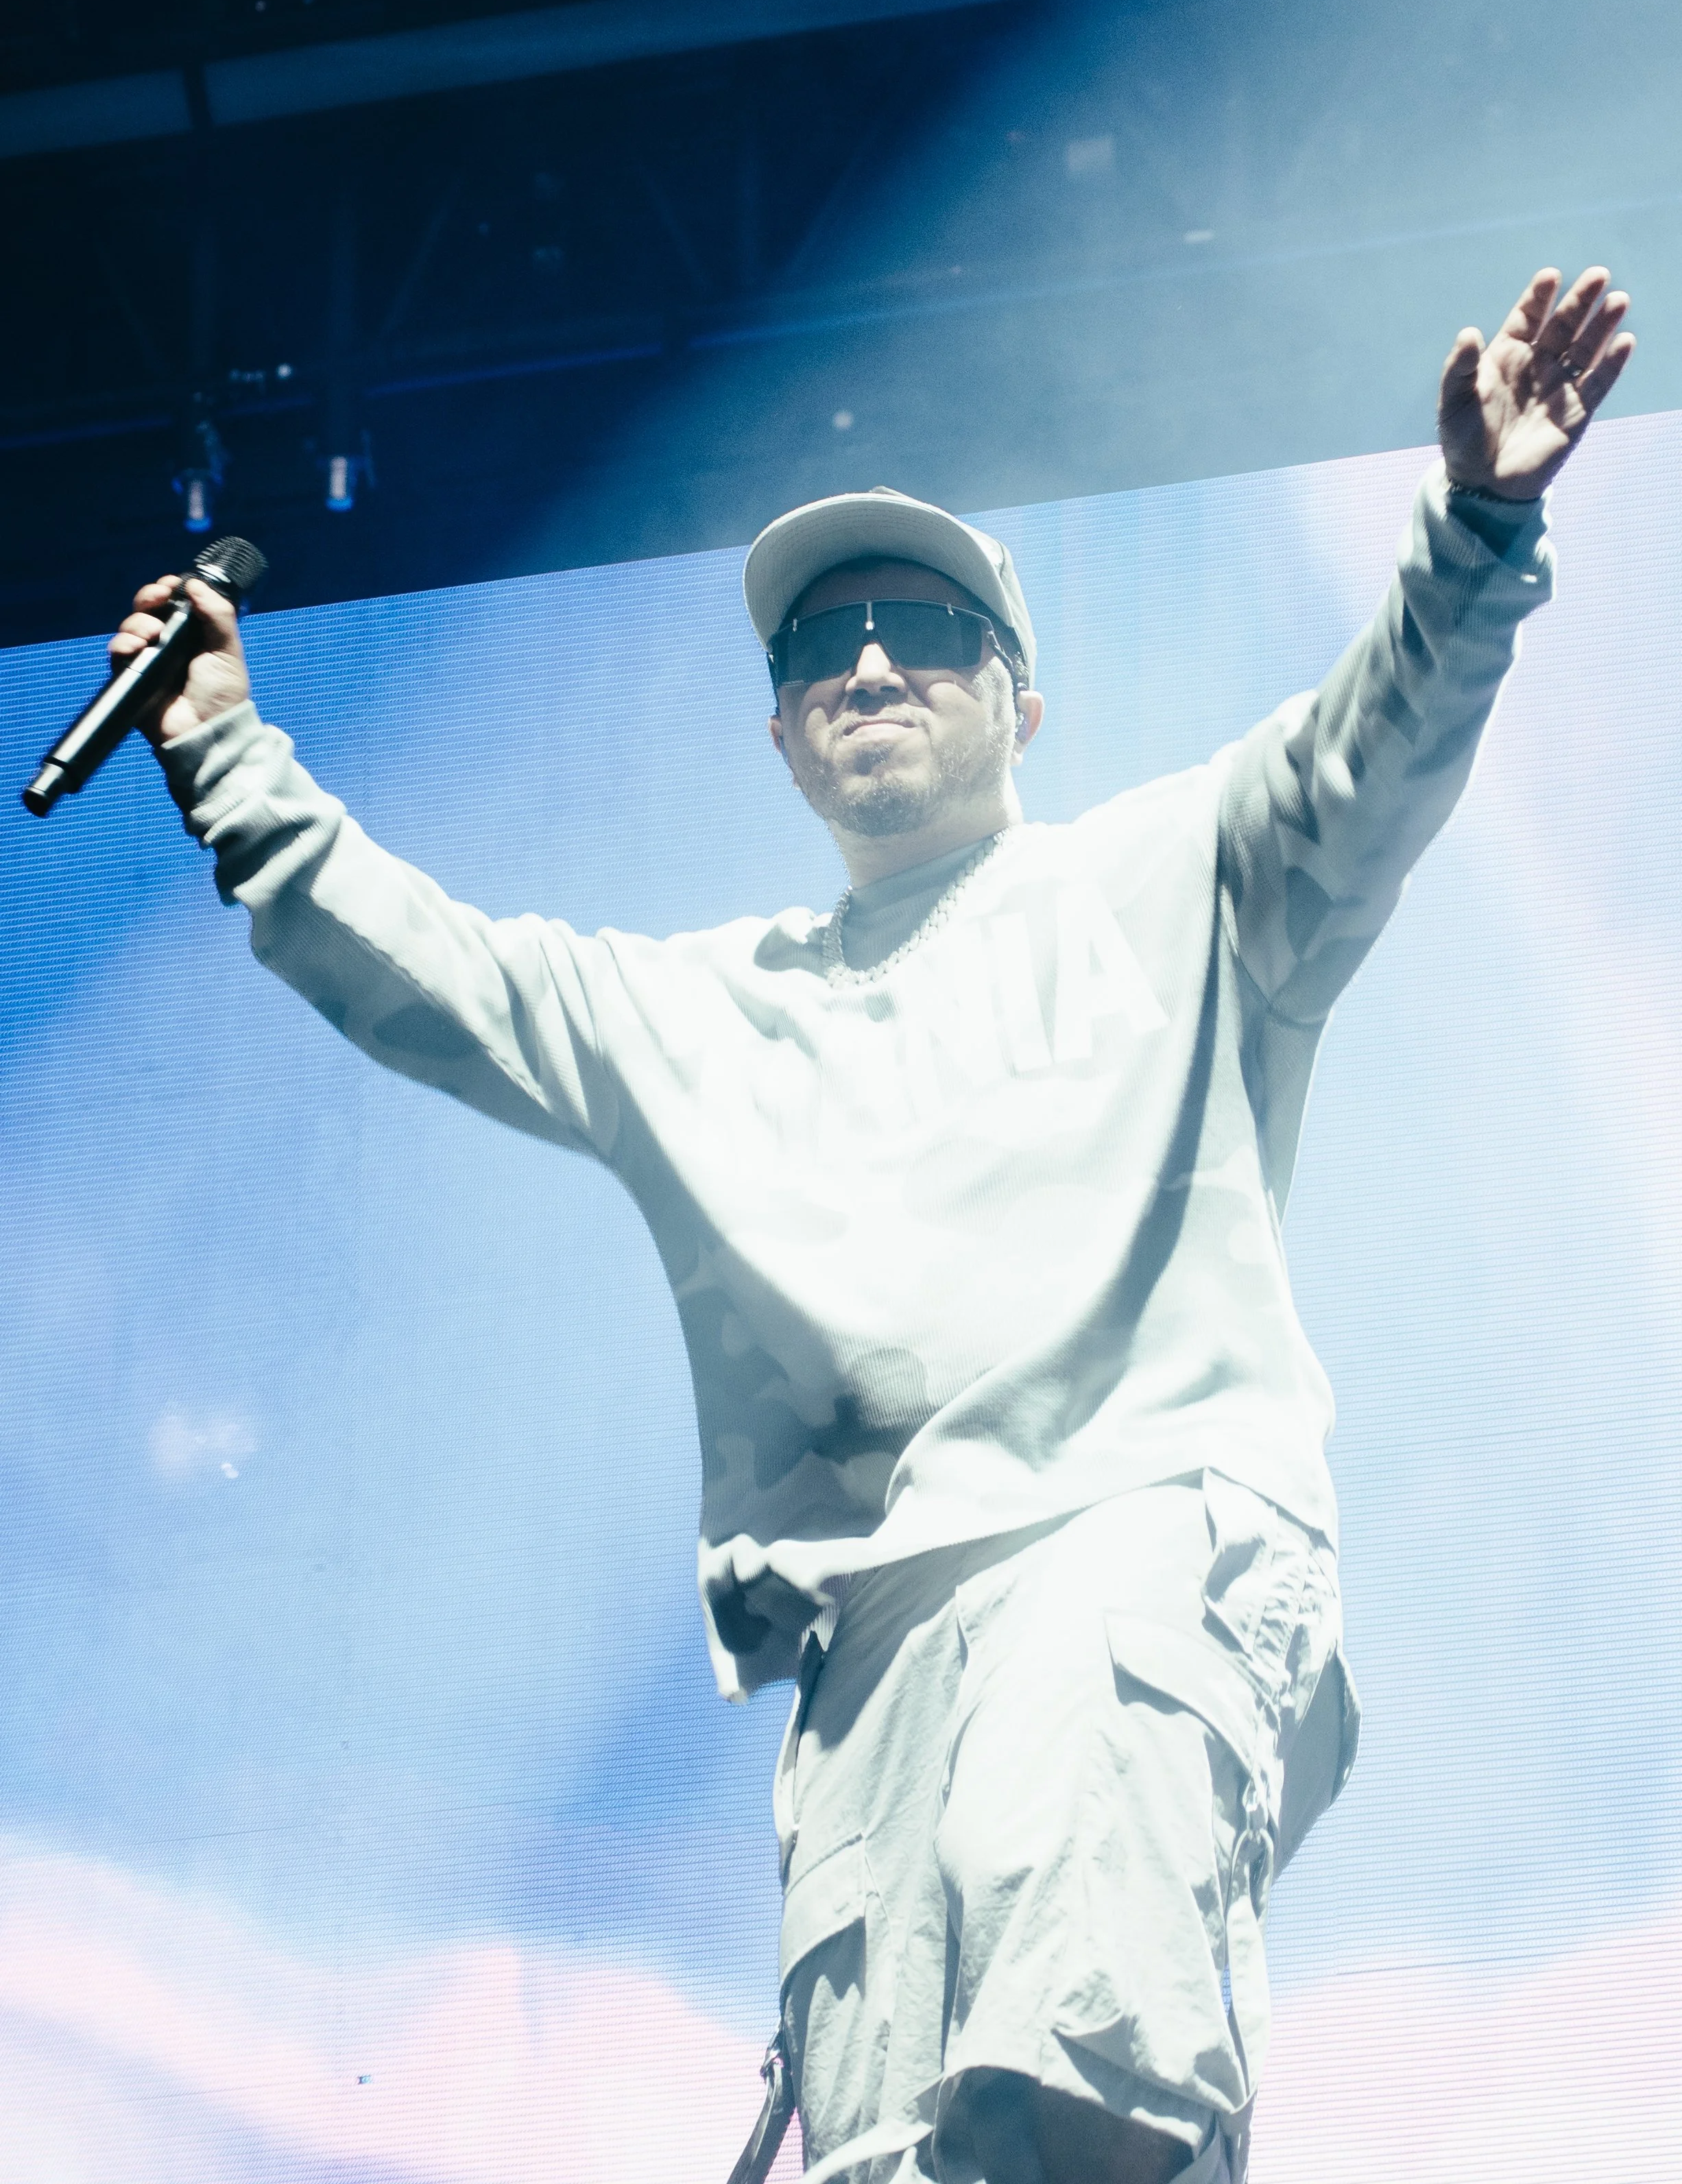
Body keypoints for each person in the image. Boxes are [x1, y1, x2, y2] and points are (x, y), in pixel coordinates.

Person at [111, 266, 1632, 2184]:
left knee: (1080, 2052)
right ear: (778, 737)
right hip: (875, 1655)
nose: (866, 667)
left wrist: (1478, 524)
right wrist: (227, 752)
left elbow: (1374, 744)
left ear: (1020, 698)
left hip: (1132, 1530)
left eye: (923, 629)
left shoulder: (1173, 879)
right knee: (892, 2145)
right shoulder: (703, 1011)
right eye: (816, 651)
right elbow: (437, 976)